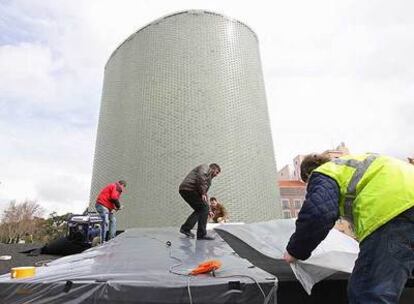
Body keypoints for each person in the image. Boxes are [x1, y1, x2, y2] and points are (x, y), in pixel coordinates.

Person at [283, 153, 414, 304]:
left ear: (307, 175)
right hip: (405, 205)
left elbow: (318, 214)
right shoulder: (355, 164)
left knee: (367, 292)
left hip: (396, 211)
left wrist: (295, 250)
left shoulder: (325, 173)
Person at [179, 163, 221, 240]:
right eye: (217, 172)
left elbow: (204, 195)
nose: (217, 175)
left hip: (188, 190)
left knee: (201, 209)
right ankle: (201, 234)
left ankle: (186, 228)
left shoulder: (208, 180)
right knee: (203, 208)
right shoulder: (205, 167)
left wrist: (209, 210)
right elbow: (200, 178)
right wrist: (203, 193)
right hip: (188, 189)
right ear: (213, 169)